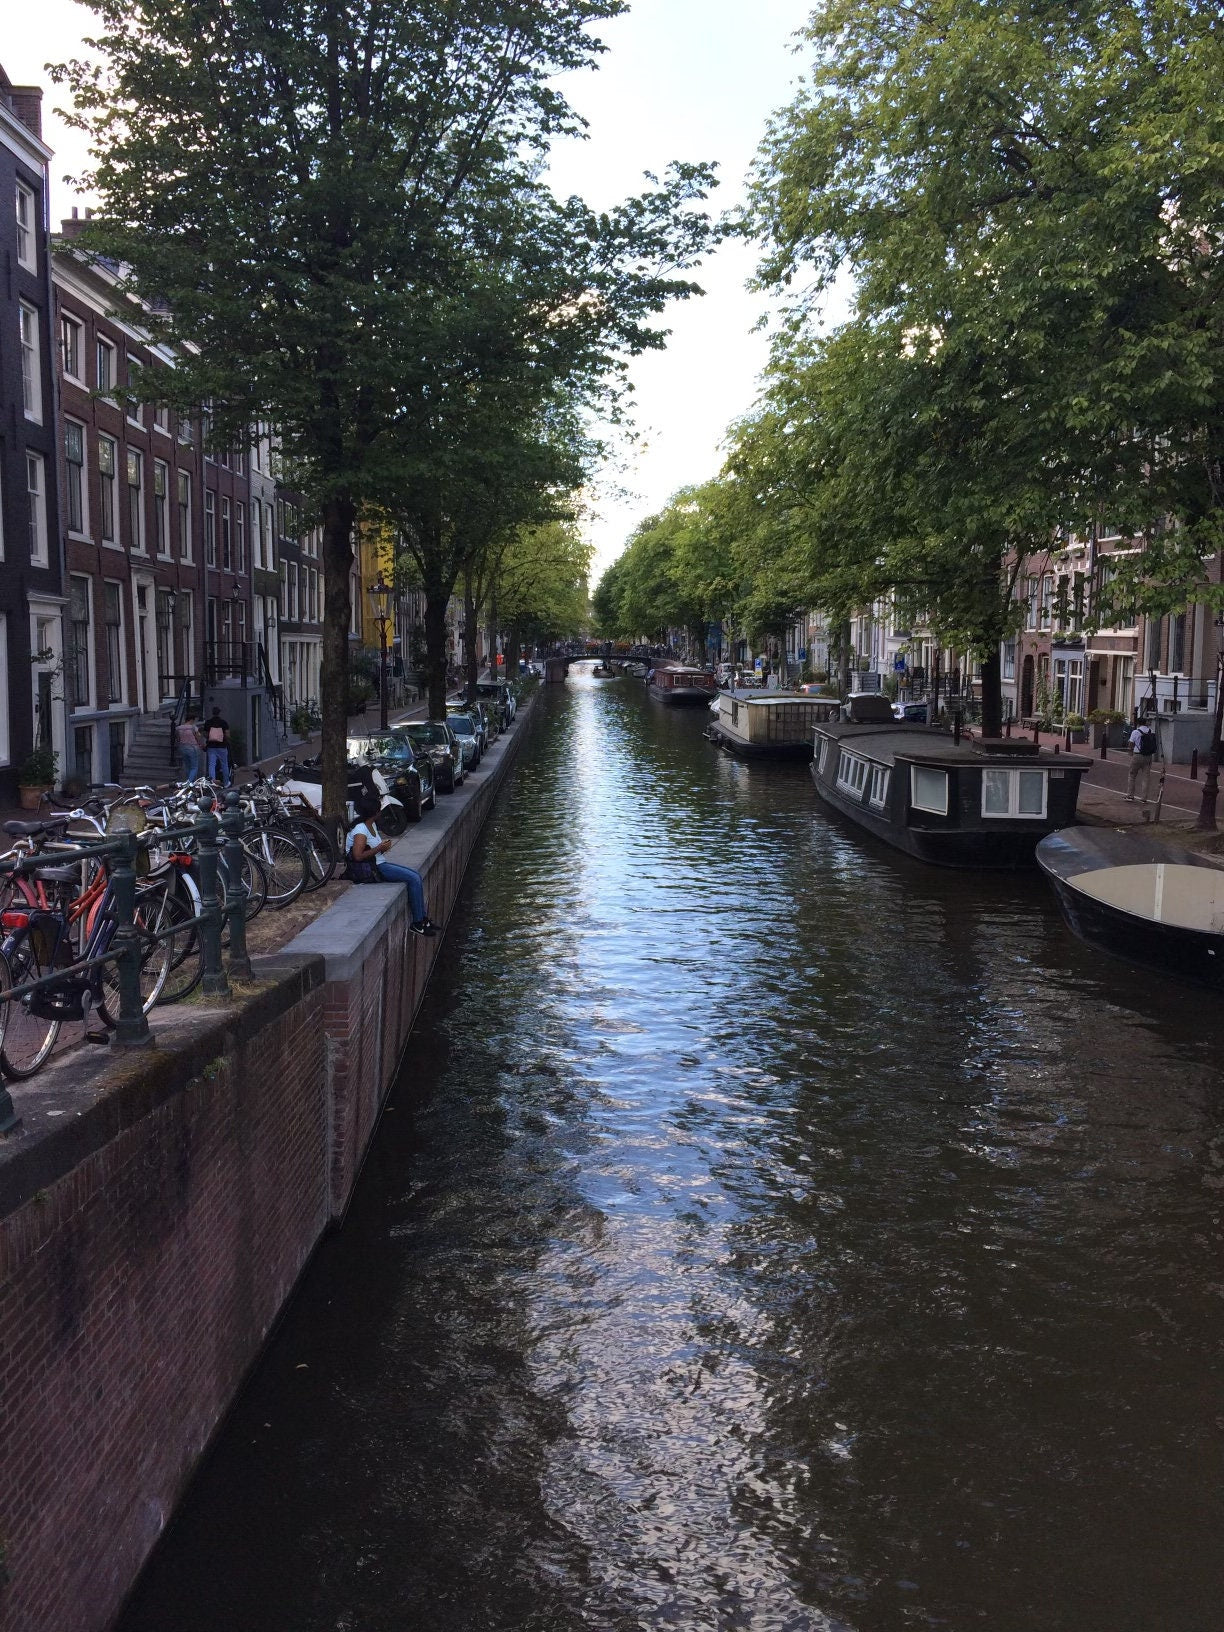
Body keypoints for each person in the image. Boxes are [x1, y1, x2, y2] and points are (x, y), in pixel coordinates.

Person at [346, 791, 439, 935]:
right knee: (413, 879)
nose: (381, 813)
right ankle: (417, 923)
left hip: (378, 863)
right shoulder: (361, 830)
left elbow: (369, 851)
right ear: (375, 812)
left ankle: (423, 919)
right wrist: (379, 848)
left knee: (416, 875)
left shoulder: (371, 826)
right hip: (374, 869)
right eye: (379, 811)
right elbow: (358, 856)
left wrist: (382, 849)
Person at [1125, 717, 1158, 802]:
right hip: (1148, 756)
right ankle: (1144, 798)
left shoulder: (1135, 732)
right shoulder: (1151, 731)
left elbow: (1131, 743)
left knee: (1132, 775)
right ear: (1145, 723)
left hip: (1137, 755)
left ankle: (1130, 795)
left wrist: (1130, 752)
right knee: (1146, 777)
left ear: (1138, 723)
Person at [204, 707, 231, 786]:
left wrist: (210, 738)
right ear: (219, 713)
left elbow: (205, 734)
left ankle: (213, 783)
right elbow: (227, 735)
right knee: (224, 764)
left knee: (212, 764)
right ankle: (226, 783)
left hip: (211, 746)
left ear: (212, 712)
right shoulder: (223, 722)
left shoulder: (208, 722)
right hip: (222, 746)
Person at [176, 710, 203, 781]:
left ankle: (189, 781)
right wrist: (201, 744)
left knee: (187, 766)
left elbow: (178, 739)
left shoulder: (178, 728)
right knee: (194, 767)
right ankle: (189, 783)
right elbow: (198, 737)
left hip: (182, 747)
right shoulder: (193, 727)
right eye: (193, 720)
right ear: (191, 719)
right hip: (192, 748)